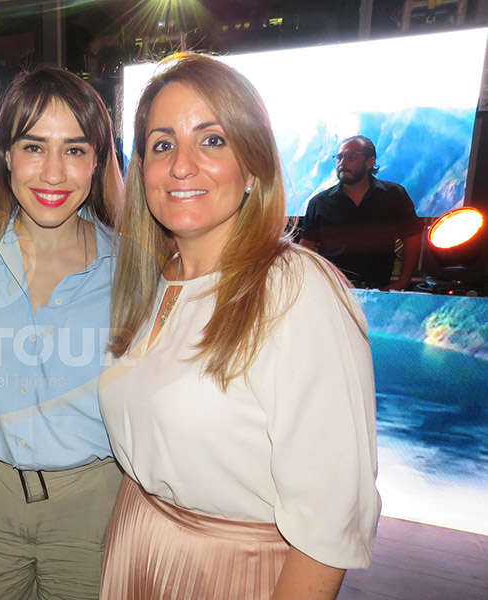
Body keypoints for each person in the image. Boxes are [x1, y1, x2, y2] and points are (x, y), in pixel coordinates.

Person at [98, 54, 380, 599]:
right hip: (138, 546)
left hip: (232, 573)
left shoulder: (296, 290)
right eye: (162, 144)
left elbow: (329, 520)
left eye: (212, 140)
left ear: (253, 166)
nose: (181, 165)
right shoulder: (152, 282)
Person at [0, 66, 124, 600]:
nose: (52, 173)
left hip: (91, 499)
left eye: (73, 149)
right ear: (5, 155)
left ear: (97, 159)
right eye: (33, 146)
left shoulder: (132, 270)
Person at [301, 135, 422, 290]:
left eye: (351, 157)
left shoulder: (394, 195)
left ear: (370, 162)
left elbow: (412, 237)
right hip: (333, 291)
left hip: (378, 290)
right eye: (339, 157)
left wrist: (404, 281)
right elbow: (306, 248)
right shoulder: (319, 202)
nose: (342, 163)